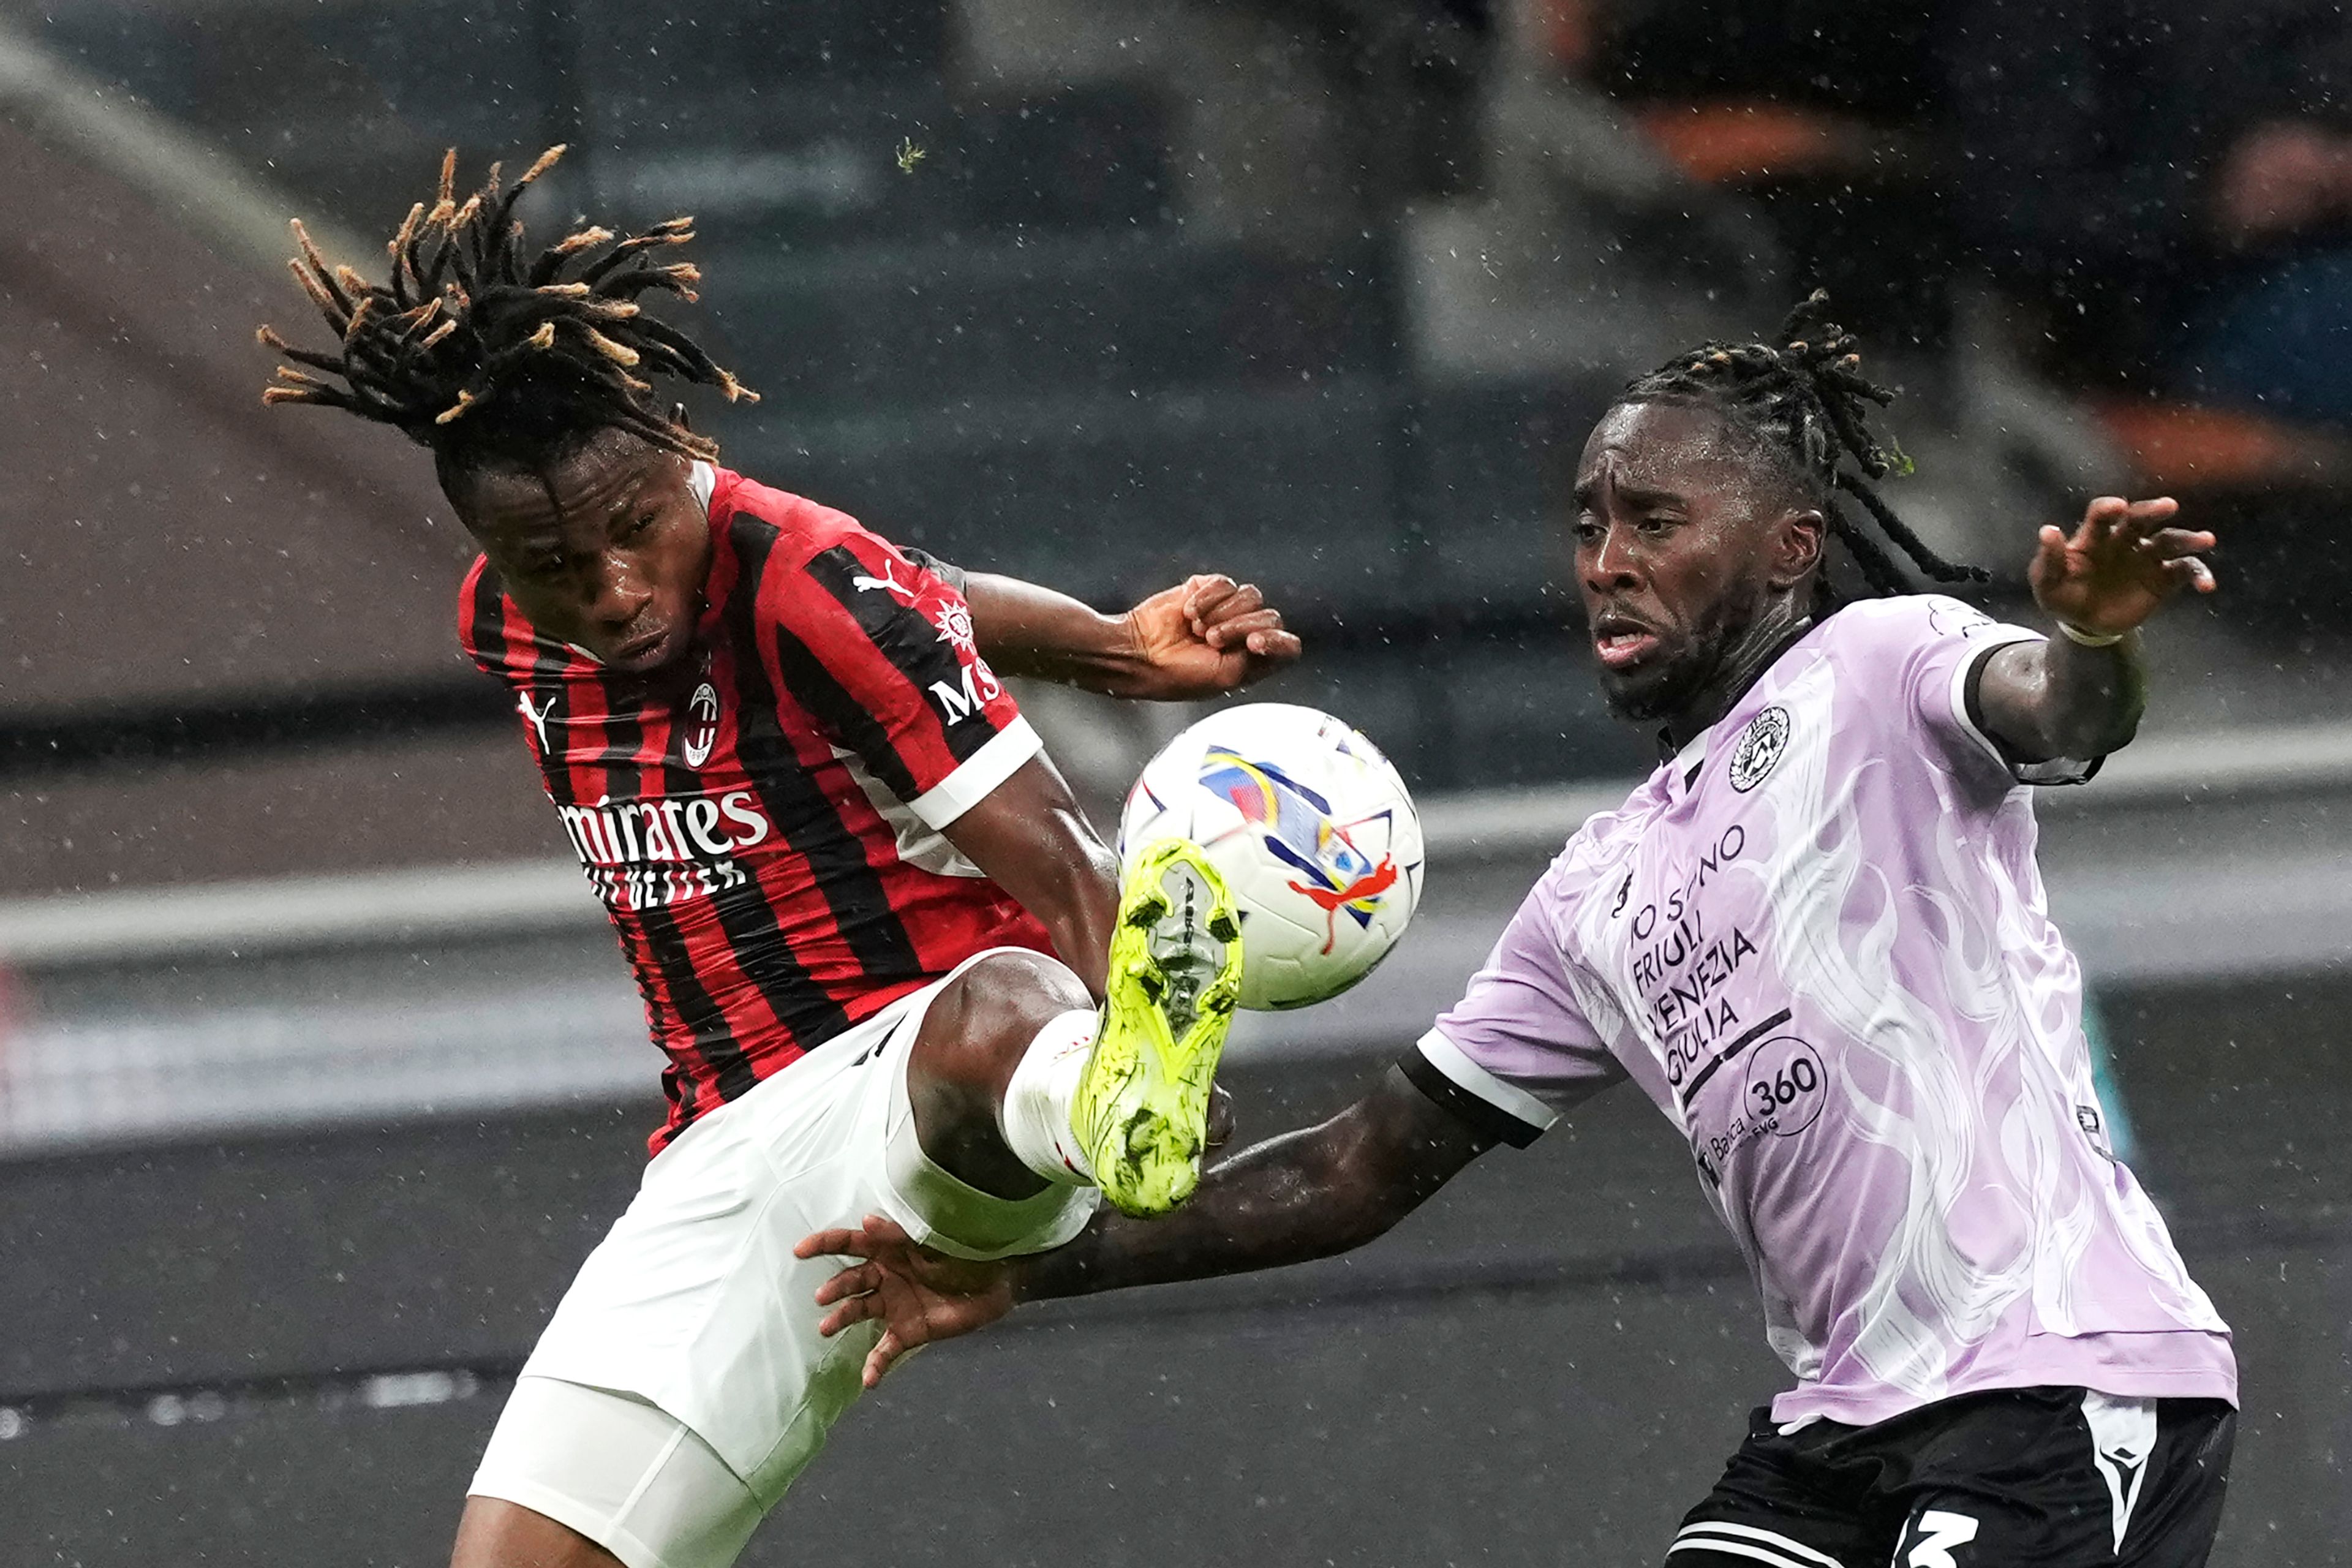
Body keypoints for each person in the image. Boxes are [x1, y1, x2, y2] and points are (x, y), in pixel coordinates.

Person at [802, 295, 2240, 1566]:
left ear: (1792, 545)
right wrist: (1031, 1264)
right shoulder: (1594, 894)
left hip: (2060, 1374)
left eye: (1655, 521)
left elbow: (2056, 712)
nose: (1606, 559)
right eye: (1588, 524)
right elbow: (1359, 1165)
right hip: (1839, 1425)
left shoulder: (1883, 660)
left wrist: (2099, 642)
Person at [258, 145, 1298, 1568]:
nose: (612, 592)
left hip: (914, 1069)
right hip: (717, 1137)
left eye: (635, 534)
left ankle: (1111, 1097)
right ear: (488, 552)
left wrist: (1152, 1036)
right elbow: (923, 589)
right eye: (556, 566)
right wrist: (1113, 642)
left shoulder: (804, 581)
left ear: (688, 463)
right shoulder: (503, 622)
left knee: (1006, 1007)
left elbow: (1062, 857)